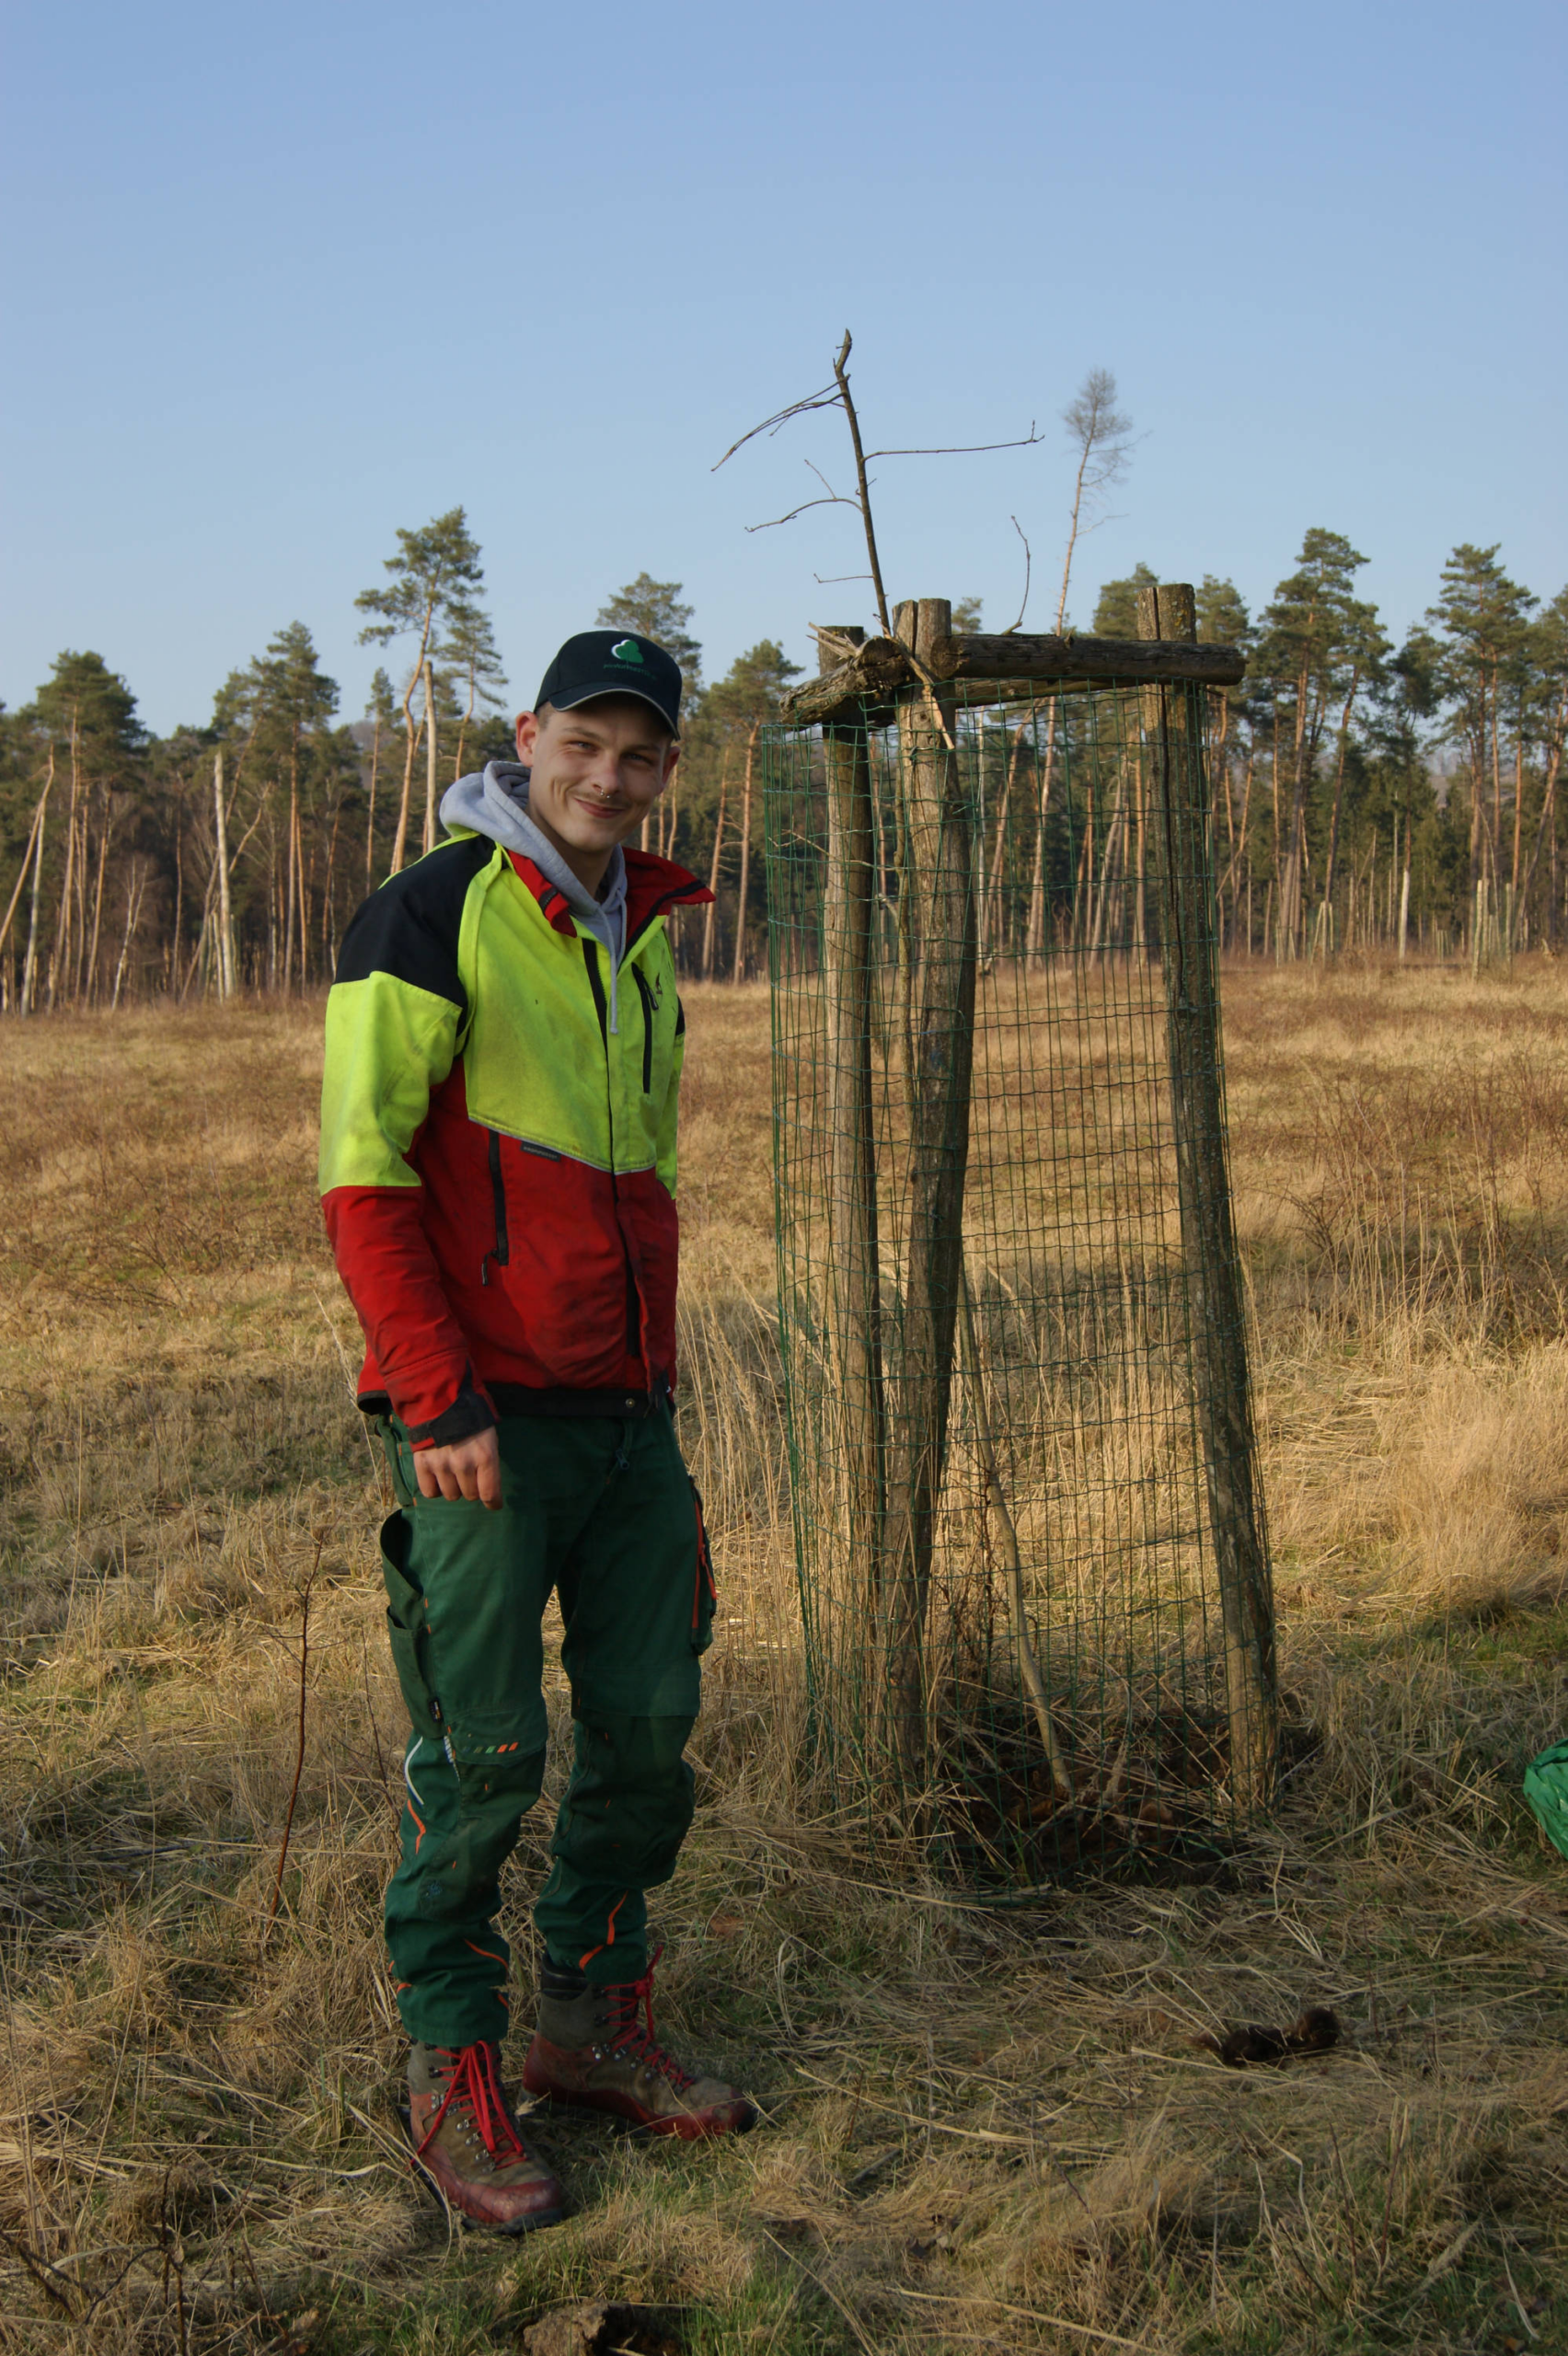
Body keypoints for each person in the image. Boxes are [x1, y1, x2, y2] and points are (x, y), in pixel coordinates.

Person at [318, 629, 755, 2234]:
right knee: (483, 1761)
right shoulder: (429, 912)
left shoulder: (640, 924)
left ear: (663, 771)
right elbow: (363, 1178)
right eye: (585, 742)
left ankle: (589, 2022)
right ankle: (452, 2070)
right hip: (481, 1428)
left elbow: (623, 1180)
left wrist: (652, 1387)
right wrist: (433, 1394)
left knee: (646, 1739)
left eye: (641, 755)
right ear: (528, 734)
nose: (609, 778)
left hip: (629, 1420)